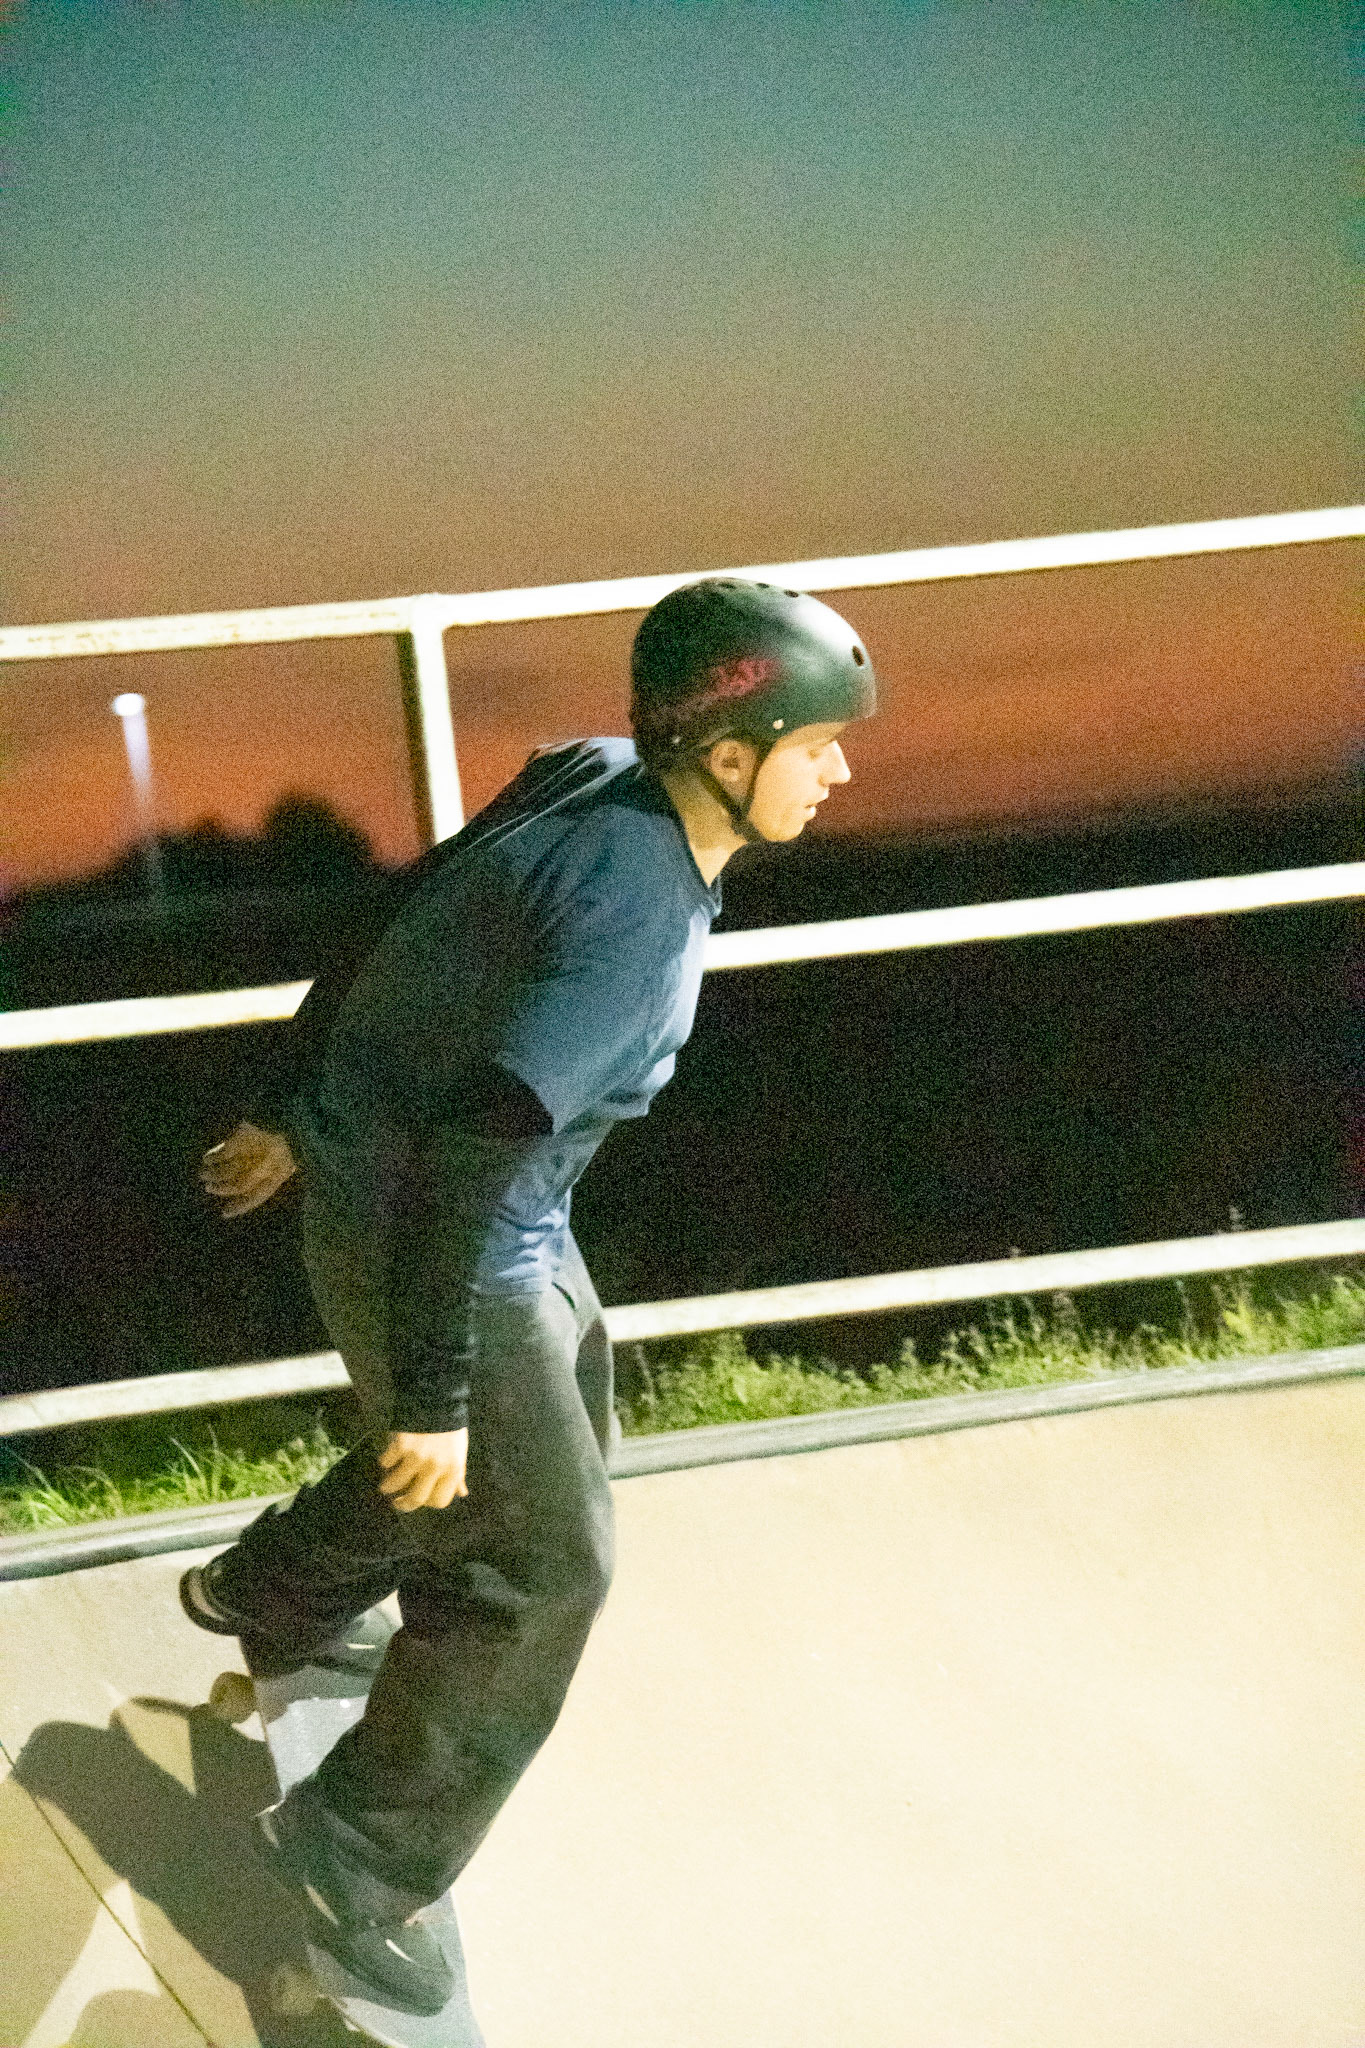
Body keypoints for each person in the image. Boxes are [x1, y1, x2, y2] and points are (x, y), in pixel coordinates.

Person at [180, 577, 877, 2014]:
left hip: (479, 1214)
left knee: (555, 1438)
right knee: (548, 1566)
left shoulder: (597, 770)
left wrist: (291, 1102)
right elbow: (466, 1156)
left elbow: (396, 918)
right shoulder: (636, 925)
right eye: (816, 747)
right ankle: (353, 1857)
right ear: (728, 754)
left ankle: (275, 1587)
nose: (839, 773)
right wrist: (432, 1391)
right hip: (444, 1234)